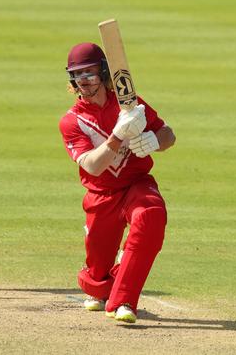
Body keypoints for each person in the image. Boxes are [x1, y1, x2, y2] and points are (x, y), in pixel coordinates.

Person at [58, 42, 176, 323]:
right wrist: (118, 135)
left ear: (104, 72)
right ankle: (102, 285)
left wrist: (154, 141)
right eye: (77, 75)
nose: (83, 81)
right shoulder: (72, 121)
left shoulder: (130, 104)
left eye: (89, 73)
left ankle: (123, 301)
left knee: (151, 215)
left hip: (137, 183)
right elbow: (93, 166)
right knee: (98, 275)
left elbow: (168, 134)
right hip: (101, 194)